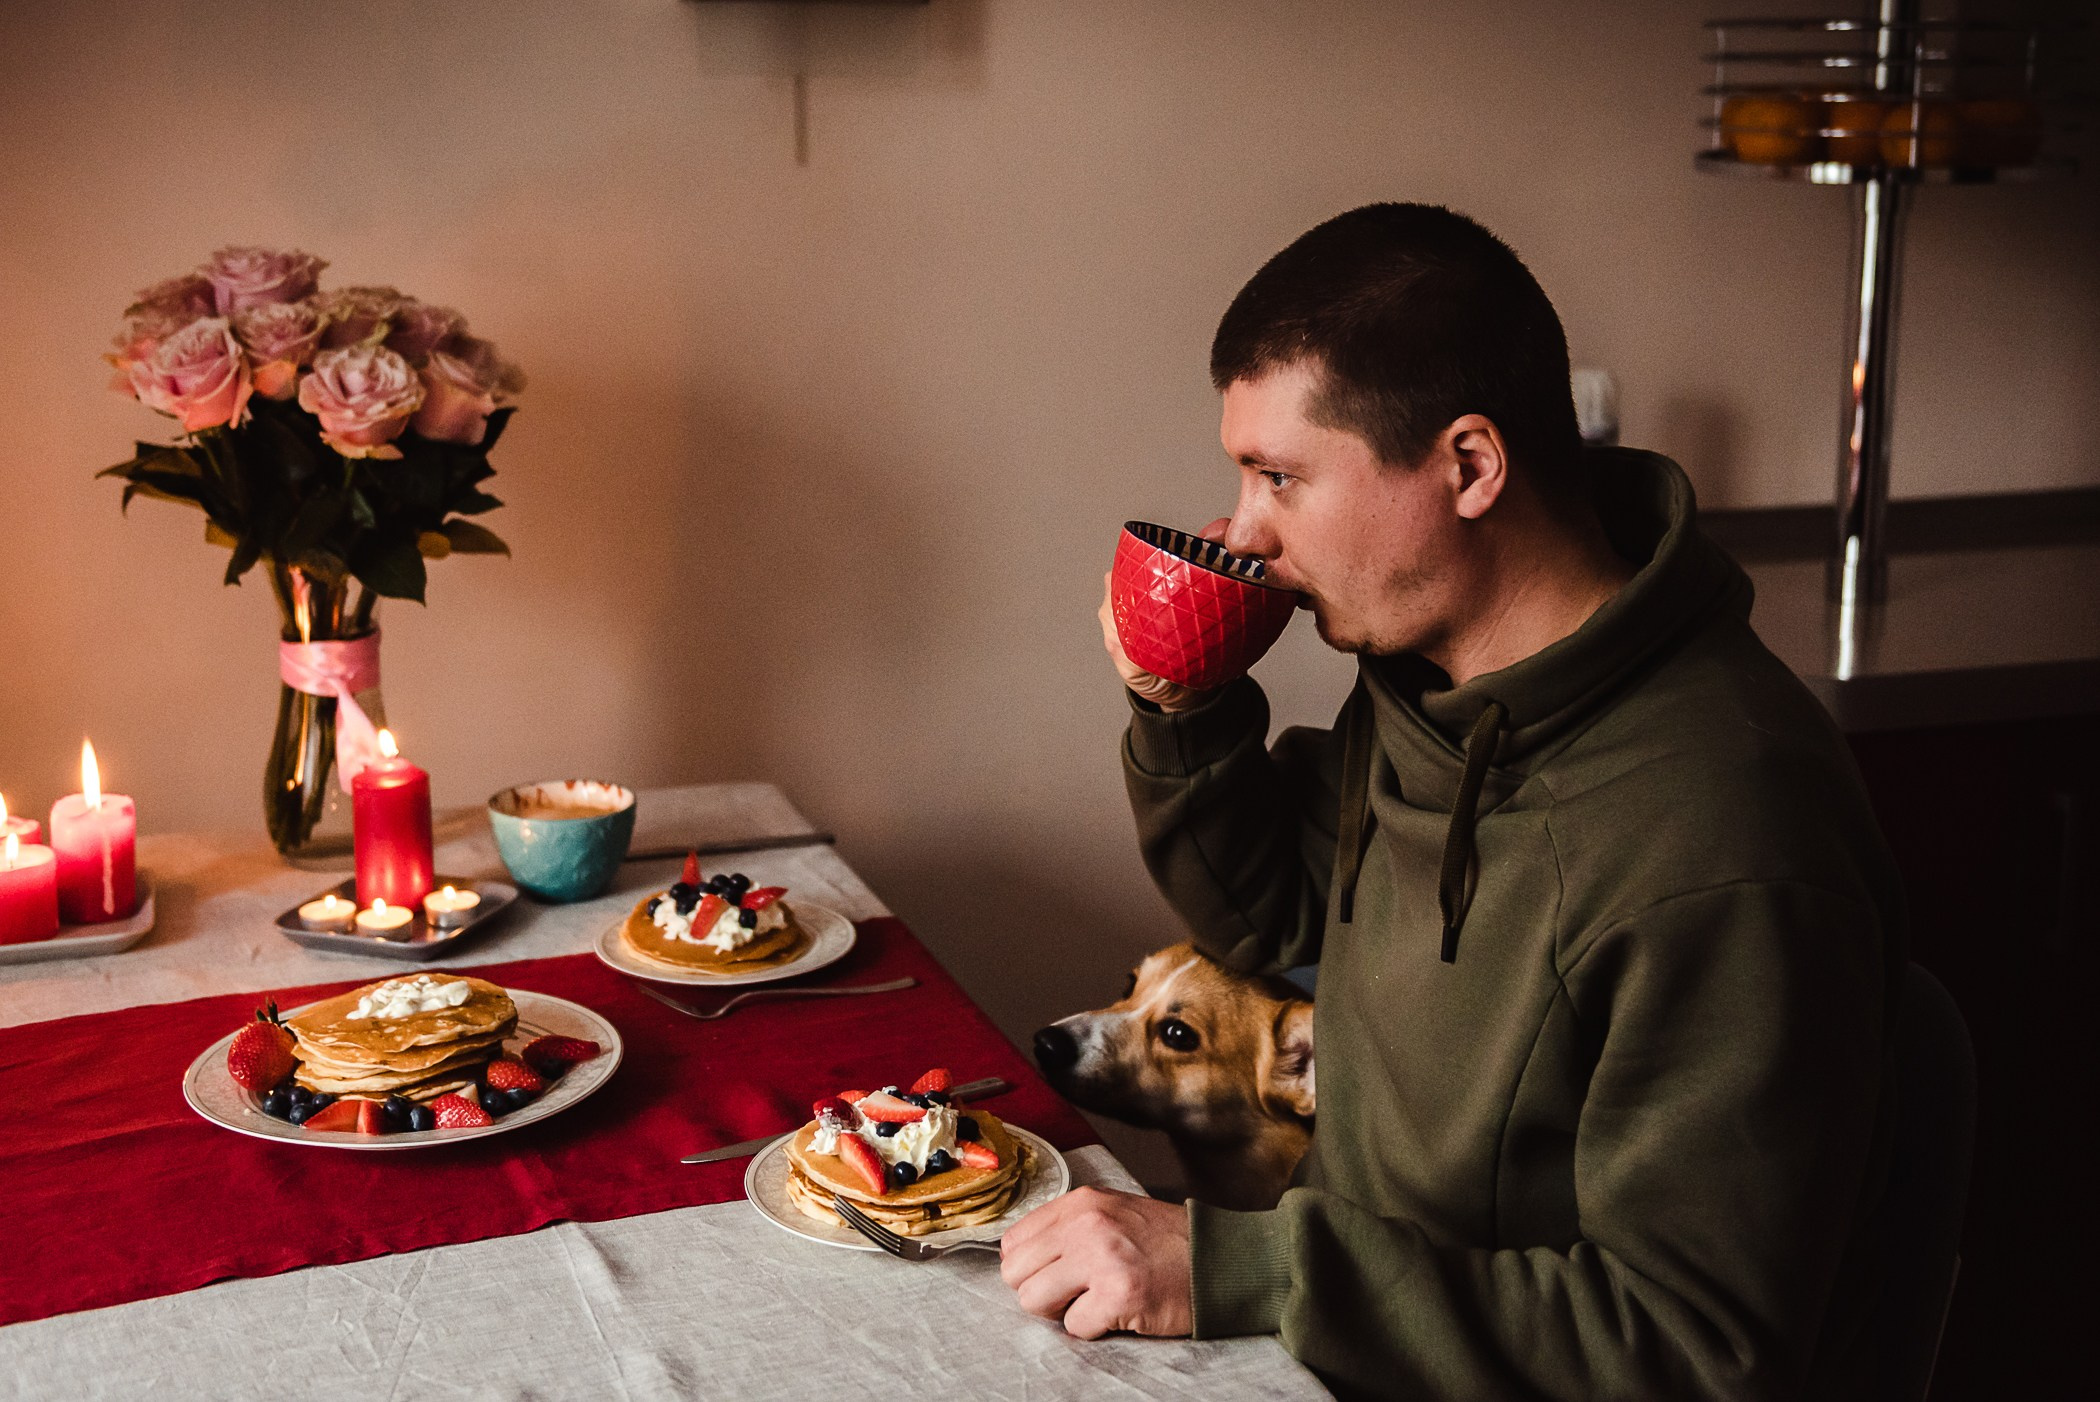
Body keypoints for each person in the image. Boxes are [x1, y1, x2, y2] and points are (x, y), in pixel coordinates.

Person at [999, 203, 1904, 1400]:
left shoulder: (1726, 837)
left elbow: (1693, 1347)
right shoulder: (1435, 687)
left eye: (1280, 476)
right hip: (1338, 1355)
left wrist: (1260, 1268)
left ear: (1470, 466)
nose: (1250, 532)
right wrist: (1189, 708)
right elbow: (1273, 918)